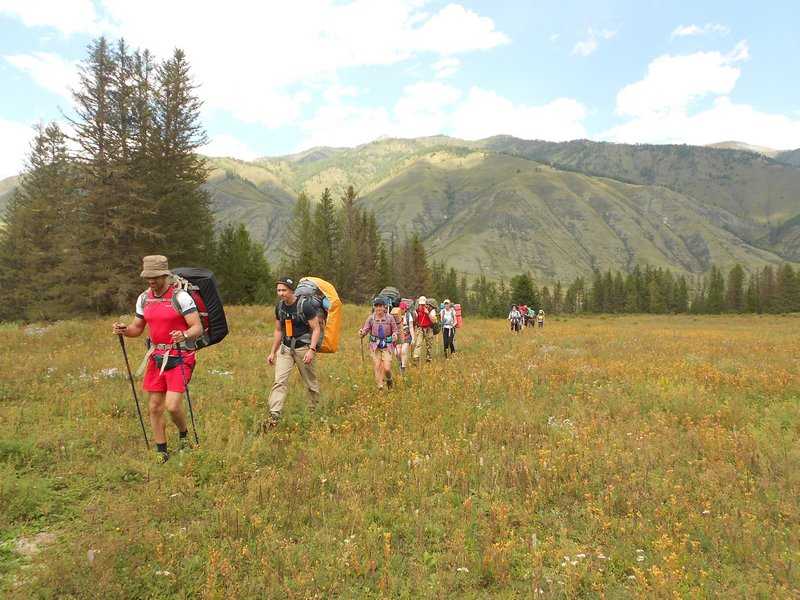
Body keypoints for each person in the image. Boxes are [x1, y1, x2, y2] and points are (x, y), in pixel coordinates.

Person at [112, 255, 203, 464]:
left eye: (155, 277)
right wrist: (124, 330)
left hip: (181, 356)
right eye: (148, 277)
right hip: (156, 357)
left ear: (165, 275)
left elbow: (197, 327)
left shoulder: (181, 297)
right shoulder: (144, 298)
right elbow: (137, 328)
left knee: (172, 406)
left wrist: (185, 335)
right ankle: (161, 451)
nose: (151, 281)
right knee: (154, 406)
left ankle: (183, 435)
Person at [264, 277, 322, 429]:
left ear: (291, 290)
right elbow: (278, 330)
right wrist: (272, 352)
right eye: (279, 290)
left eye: (284, 290)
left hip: (303, 349)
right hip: (285, 349)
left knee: (310, 382)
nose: (281, 293)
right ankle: (274, 416)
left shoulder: (305, 306)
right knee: (279, 382)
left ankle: (313, 411)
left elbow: (316, 329)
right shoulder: (280, 307)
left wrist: (312, 349)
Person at [360, 297, 399, 390]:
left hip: (387, 345)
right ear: (374, 307)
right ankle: (380, 386)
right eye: (376, 306)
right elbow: (365, 329)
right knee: (377, 366)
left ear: (384, 307)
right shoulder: (371, 318)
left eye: (380, 306)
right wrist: (362, 333)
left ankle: (389, 380)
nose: (378, 308)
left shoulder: (390, 318)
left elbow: (395, 330)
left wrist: (394, 335)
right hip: (375, 346)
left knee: (387, 368)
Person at [413, 296, 436, 364]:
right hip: (420, 329)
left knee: (429, 345)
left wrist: (427, 313)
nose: (422, 305)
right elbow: (415, 320)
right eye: (420, 304)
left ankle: (428, 359)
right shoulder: (417, 310)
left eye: (423, 304)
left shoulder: (431, 310)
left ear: (426, 303)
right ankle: (416, 360)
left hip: (429, 329)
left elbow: (434, 321)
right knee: (418, 344)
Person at [394, 301, 414, 372]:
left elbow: (411, 327)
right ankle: (400, 363)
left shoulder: (408, 316)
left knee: (403, 351)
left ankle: (403, 367)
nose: (402, 310)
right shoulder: (396, 315)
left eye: (403, 308)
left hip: (407, 336)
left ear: (405, 309)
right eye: (400, 308)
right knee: (397, 353)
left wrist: (413, 338)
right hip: (398, 337)